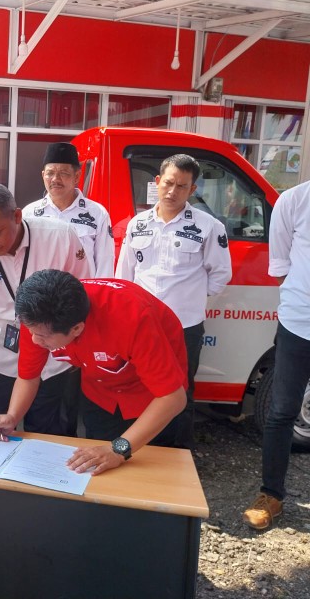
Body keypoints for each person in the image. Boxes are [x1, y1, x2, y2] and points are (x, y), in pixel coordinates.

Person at [0, 270, 189, 475]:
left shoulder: (131, 317)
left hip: (152, 398)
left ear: (76, 329)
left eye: (41, 337)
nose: (34, 340)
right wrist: (12, 416)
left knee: (151, 473)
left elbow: (172, 398)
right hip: (100, 391)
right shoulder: (40, 318)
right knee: (96, 466)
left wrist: (117, 450)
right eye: (31, 331)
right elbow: (28, 377)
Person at [0, 182, 92, 435]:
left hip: (55, 360)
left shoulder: (60, 237)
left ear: (17, 216)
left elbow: (84, 294)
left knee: (52, 437)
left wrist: (79, 353)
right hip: (1, 359)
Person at [116, 154, 231, 448]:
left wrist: (190, 299)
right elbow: (125, 275)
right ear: (157, 182)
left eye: (181, 186)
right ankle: (140, 449)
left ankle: (177, 456)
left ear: (192, 189)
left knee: (180, 393)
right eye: (168, 183)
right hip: (142, 327)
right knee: (140, 389)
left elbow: (220, 274)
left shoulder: (208, 226)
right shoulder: (137, 224)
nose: (172, 191)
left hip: (184, 327)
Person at [243, 180, 310, 530]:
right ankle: (271, 495)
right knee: (282, 412)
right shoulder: (294, 201)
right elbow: (281, 266)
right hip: (298, 324)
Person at [22, 142, 115, 277]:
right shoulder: (29, 214)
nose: (55, 179)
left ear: (76, 176)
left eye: (63, 173)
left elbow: (105, 264)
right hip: (41, 289)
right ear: (43, 176)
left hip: (81, 288)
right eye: (50, 173)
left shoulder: (97, 213)